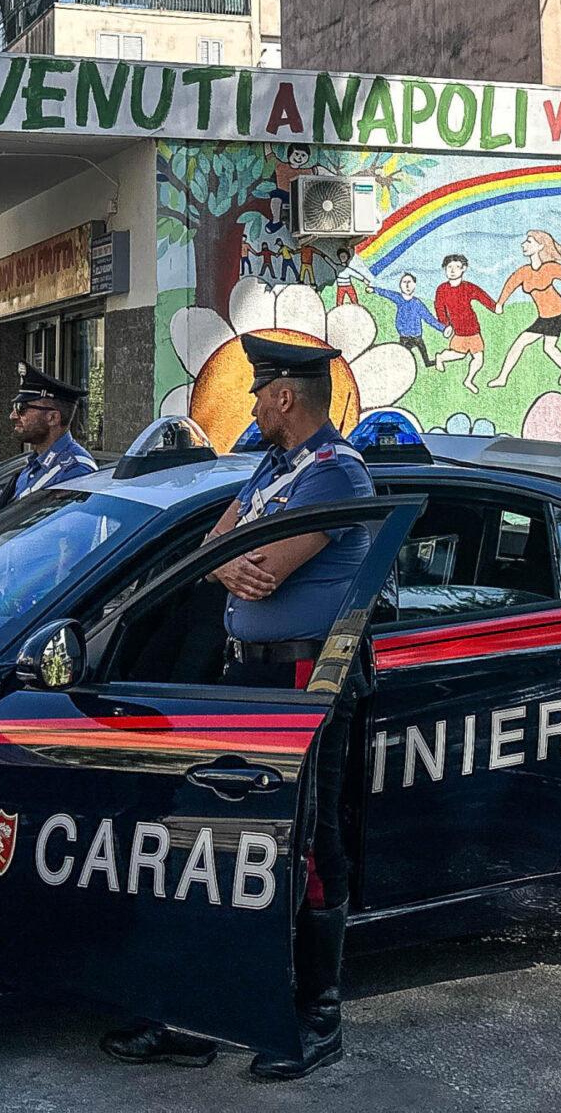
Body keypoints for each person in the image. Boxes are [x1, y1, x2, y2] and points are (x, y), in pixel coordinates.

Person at [103, 334, 373, 1081]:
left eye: (259, 392)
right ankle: (207, 1009)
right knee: (222, 845)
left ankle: (316, 1019)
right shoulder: (271, 467)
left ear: (286, 397)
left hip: (303, 686)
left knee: (307, 848)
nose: (252, 404)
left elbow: (265, 569)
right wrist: (228, 561)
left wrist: (230, 561)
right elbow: (217, 553)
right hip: (248, 680)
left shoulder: (335, 472)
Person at [489, 229, 561, 389]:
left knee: (523, 343)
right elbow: (510, 284)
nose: (524, 244)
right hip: (544, 317)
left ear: (540, 246)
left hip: (559, 314)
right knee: (548, 347)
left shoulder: (549, 268)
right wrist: (500, 303)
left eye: (529, 241)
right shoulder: (524, 272)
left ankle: (502, 378)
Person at [8, 363, 98, 499]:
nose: (13, 415)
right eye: (15, 406)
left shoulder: (75, 470)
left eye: (22, 408)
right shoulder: (36, 462)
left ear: (53, 418)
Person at [431, 253, 498, 391]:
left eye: (456, 267)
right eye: (449, 267)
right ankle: (441, 357)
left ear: (464, 269)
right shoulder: (442, 289)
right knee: (459, 355)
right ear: (445, 269)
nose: (452, 270)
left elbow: (482, 296)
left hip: (473, 329)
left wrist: (494, 307)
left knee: (479, 358)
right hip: (459, 331)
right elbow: (439, 308)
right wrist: (445, 325)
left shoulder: (468, 287)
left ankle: (469, 380)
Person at [354, 267, 445, 366]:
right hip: (404, 337)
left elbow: (429, 318)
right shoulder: (399, 298)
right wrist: (374, 289)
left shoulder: (417, 303)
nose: (407, 285)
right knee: (401, 361)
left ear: (414, 285)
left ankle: (433, 362)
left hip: (417, 337)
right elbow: (387, 293)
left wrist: (443, 329)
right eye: (404, 282)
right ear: (400, 285)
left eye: (409, 282)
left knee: (426, 361)